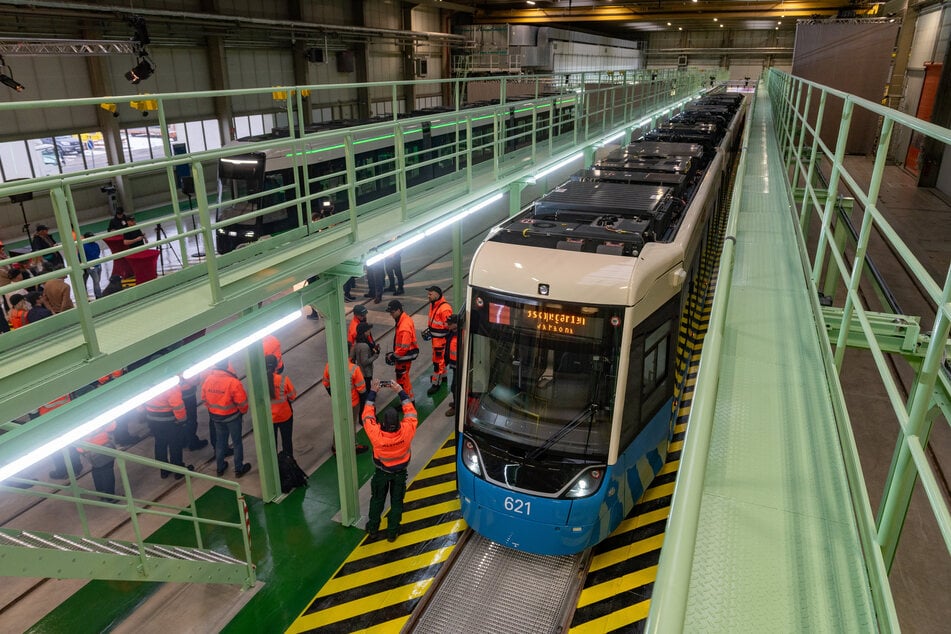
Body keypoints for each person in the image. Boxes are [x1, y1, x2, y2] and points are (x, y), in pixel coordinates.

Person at [362, 379, 418, 542]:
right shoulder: (407, 430)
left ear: (383, 423)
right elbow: (411, 412)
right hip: (400, 474)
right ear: (399, 422)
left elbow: (367, 415)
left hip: (382, 473)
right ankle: (392, 533)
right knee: (397, 502)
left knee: (377, 500)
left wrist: (373, 391)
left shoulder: (376, 435)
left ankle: (373, 529)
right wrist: (400, 390)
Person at [201, 359, 252, 477]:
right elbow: (242, 402)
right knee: (237, 442)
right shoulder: (233, 382)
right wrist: (242, 412)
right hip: (232, 417)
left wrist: (213, 410)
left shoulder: (208, 380)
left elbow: (204, 398)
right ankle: (239, 469)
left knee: (220, 442)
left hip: (216, 418)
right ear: (227, 366)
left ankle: (220, 467)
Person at [144, 381, 193, 479]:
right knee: (175, 444)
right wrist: (182, 420)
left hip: (152, 419)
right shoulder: (171, 385)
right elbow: (177, 405)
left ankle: (164, 470)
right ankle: (178, 470)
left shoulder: (146, 383)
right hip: (169, 421)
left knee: (160, 444)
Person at [322, 360, 369, 454]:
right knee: (350, 425)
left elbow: (326, 383)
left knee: (338, 424)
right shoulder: (354, 368)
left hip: (338, 402)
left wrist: (333, 396)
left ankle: (335, 447)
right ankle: (354, 446)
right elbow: (362, 390)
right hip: (352, 403)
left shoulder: (329, 365)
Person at [385, 299, 419, 401]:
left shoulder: (404, 326)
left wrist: (392, 356)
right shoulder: (403, 320)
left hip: (404, 356)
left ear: (398, 310)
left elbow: (404, 348)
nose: (391, 315)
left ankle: (407, 402)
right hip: (404, 355)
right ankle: (407, 401)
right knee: (403, 380)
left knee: (403, 381)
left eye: (392, 312)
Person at [423, 285, 453, 396]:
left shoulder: (444, 309)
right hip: (436, 340)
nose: (428, 296)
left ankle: (436, 384)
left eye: (430, 294)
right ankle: (443, 377)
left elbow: (448, 327)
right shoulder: (434, 305)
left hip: (441, 341)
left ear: (437, 294)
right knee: (440, 362)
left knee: (438, 363)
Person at [266, 354, 297, 458]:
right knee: (287, 441)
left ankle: (274, 466)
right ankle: (289, 462)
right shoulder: (283, 379)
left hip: (269, 418)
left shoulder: (260, 382)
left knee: (271, 444)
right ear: (276, 366)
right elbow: (292, 396)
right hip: (285, 416)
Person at [78, 421, 118, 501]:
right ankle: (110, 497)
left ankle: (101, 492)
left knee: (97, 469)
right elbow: (112, 426)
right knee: (107, 472)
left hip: (87, 450)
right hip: (102, 445)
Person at [350, 321, 379, 413]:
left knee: (363, 395)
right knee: (366, 396)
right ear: (364, 332)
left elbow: (352, 357)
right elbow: (365, 362)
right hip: (366, 373)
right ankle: (366, 413)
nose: (369, 332)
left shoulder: (355, 345)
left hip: (359, 373)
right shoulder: (364, 346)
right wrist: (375, 355)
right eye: (368, 330)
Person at [444, 314, 459, 417]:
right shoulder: (451, 333)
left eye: (450, 324)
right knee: (454, 386)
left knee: (455, 387)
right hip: (453, 365)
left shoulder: (461, 335)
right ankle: (456, 403)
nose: (448, 325)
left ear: (456, 324)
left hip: (459, 366)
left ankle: (456, 407)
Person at [81, 232, 103, 299]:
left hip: (96, 264)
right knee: (96, 281)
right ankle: (98, 296)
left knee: (97, 281)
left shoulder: (94, 245)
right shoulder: (85, 246)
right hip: (92, 265)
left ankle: (98, 295)